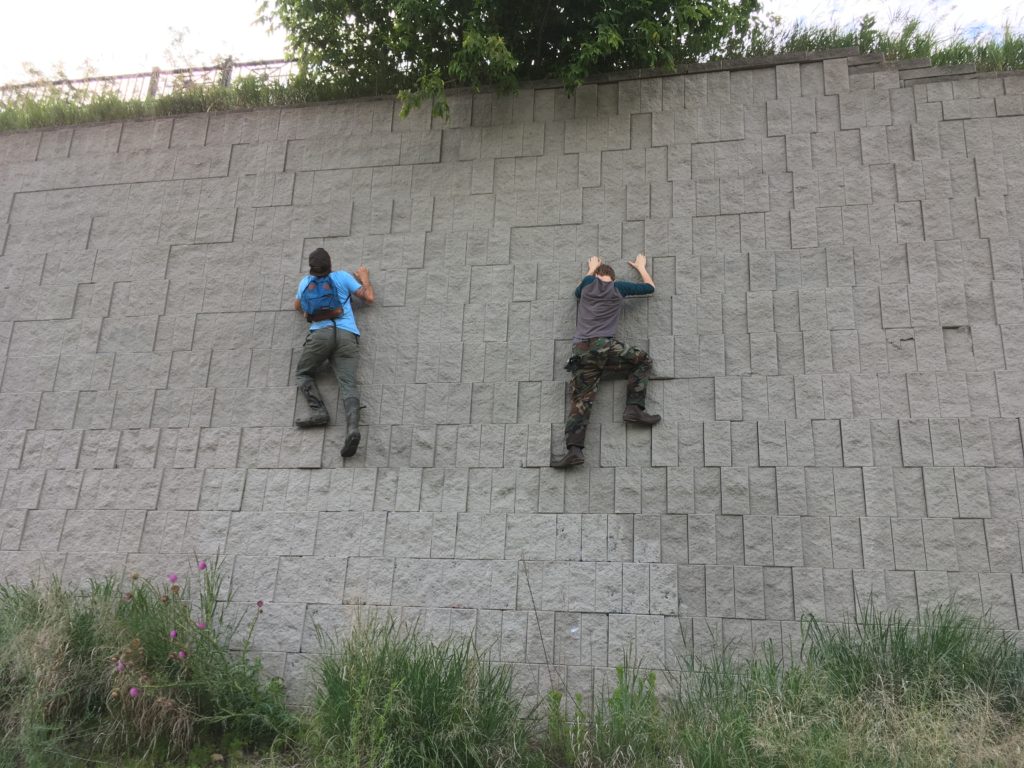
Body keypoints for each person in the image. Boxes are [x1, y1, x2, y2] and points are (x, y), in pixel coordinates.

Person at [551, 253, 660, 468]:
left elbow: (577, 292)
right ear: (612, 276)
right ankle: (634, 408)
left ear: (598, 274)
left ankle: (574, 451)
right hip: (605, 347)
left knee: (581, 401)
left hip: (582, 352)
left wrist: (591, 268)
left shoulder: (587, 283)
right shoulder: (619, 287)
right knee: (642, 361)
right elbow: (650, 288)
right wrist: (641, 267)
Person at [293, 247, 375, 458]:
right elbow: (369, 298)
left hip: (320, 336)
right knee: (348, 384)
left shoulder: (305, 283)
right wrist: (364, 278)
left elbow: (297, 306)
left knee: (304, 372)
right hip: (347, 335)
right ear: (330, 264)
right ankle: (352, 429)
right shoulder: (342, 277)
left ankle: (319, 411)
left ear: (312, 268)